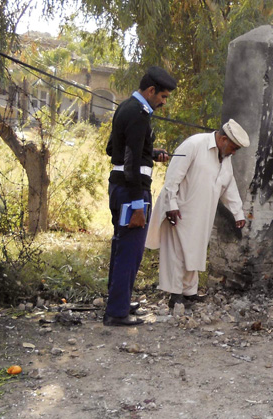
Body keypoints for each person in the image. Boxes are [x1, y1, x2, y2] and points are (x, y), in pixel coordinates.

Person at [145, 120, 250, 307]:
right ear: (223, 139)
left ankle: (189, 292)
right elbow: (173, 176)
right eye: (233, 148)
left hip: (203, 213)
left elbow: (228, 184)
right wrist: (171, 204)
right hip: (180, 209)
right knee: (176, 253)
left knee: (195, 251)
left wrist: (238, 213)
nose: (234, 153)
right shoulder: (194, 144)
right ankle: (175, 294)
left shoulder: (225, 157)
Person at [103, 67, 178, 327]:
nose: (163, 102)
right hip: (131, 191)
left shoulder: (127, 107)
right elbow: (131, 161)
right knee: (130, 251)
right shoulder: (139, 114)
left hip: (120, 187)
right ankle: (116, 312)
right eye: (163, 96)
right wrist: (137, 205)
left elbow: (114, 148)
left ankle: (118, 301)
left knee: (121, 246)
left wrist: (150, 152)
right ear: (150, 91)